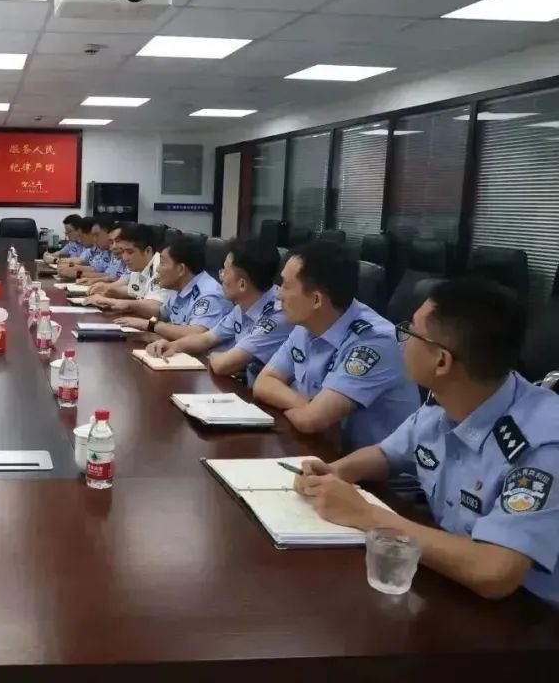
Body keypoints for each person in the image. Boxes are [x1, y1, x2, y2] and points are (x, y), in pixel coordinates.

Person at [293, 279, 559, 604]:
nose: (402, 339)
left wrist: (366, 515)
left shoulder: (543, 444)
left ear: (441, 361)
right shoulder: (449, 400)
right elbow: (387, 454)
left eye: (411, 331)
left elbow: (494, 572)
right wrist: (335, 472)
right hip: (449, 581)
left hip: (528, 615)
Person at [255, 240, 419, 448]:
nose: (278, 295)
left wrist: (309, 413)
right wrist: (305, 406)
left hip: (372, 466)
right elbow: (264, 382)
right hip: (324, 450)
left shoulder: (375, 342)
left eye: (286, 286)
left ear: (316, 300)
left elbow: (310, 421)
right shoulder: (307, 324)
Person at [147, 238, 293, 381]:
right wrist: (173, 346)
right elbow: (207, 338)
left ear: (242, 284)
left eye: (225, 271)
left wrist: (212, 354)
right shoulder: (244, 304)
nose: (221, 278)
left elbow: (223, 365)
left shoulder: (278, 316)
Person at [113, 234, 232, 341]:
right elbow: (162, 314)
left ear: (181, 269)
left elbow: (196, 334)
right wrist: (130, 306)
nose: (158, 269)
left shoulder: (209, 295)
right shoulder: (181, 287)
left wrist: (150, 325)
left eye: (162, 263)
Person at [84, 223, 167, 306]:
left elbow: (154, 307)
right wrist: (107, 289)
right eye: (123, 251)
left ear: (147, 251)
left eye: (130, 252)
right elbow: (132, 291)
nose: (125, 258)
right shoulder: (138, 267)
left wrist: (109, 300)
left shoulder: (160, 267)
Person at [60, 216, 115, 281]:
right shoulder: (103, 251)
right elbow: (92, 268)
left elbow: (110, 277)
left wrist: (76, 273)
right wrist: (69, 266)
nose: (94, 240)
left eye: (96, 235)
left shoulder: (116, 252)